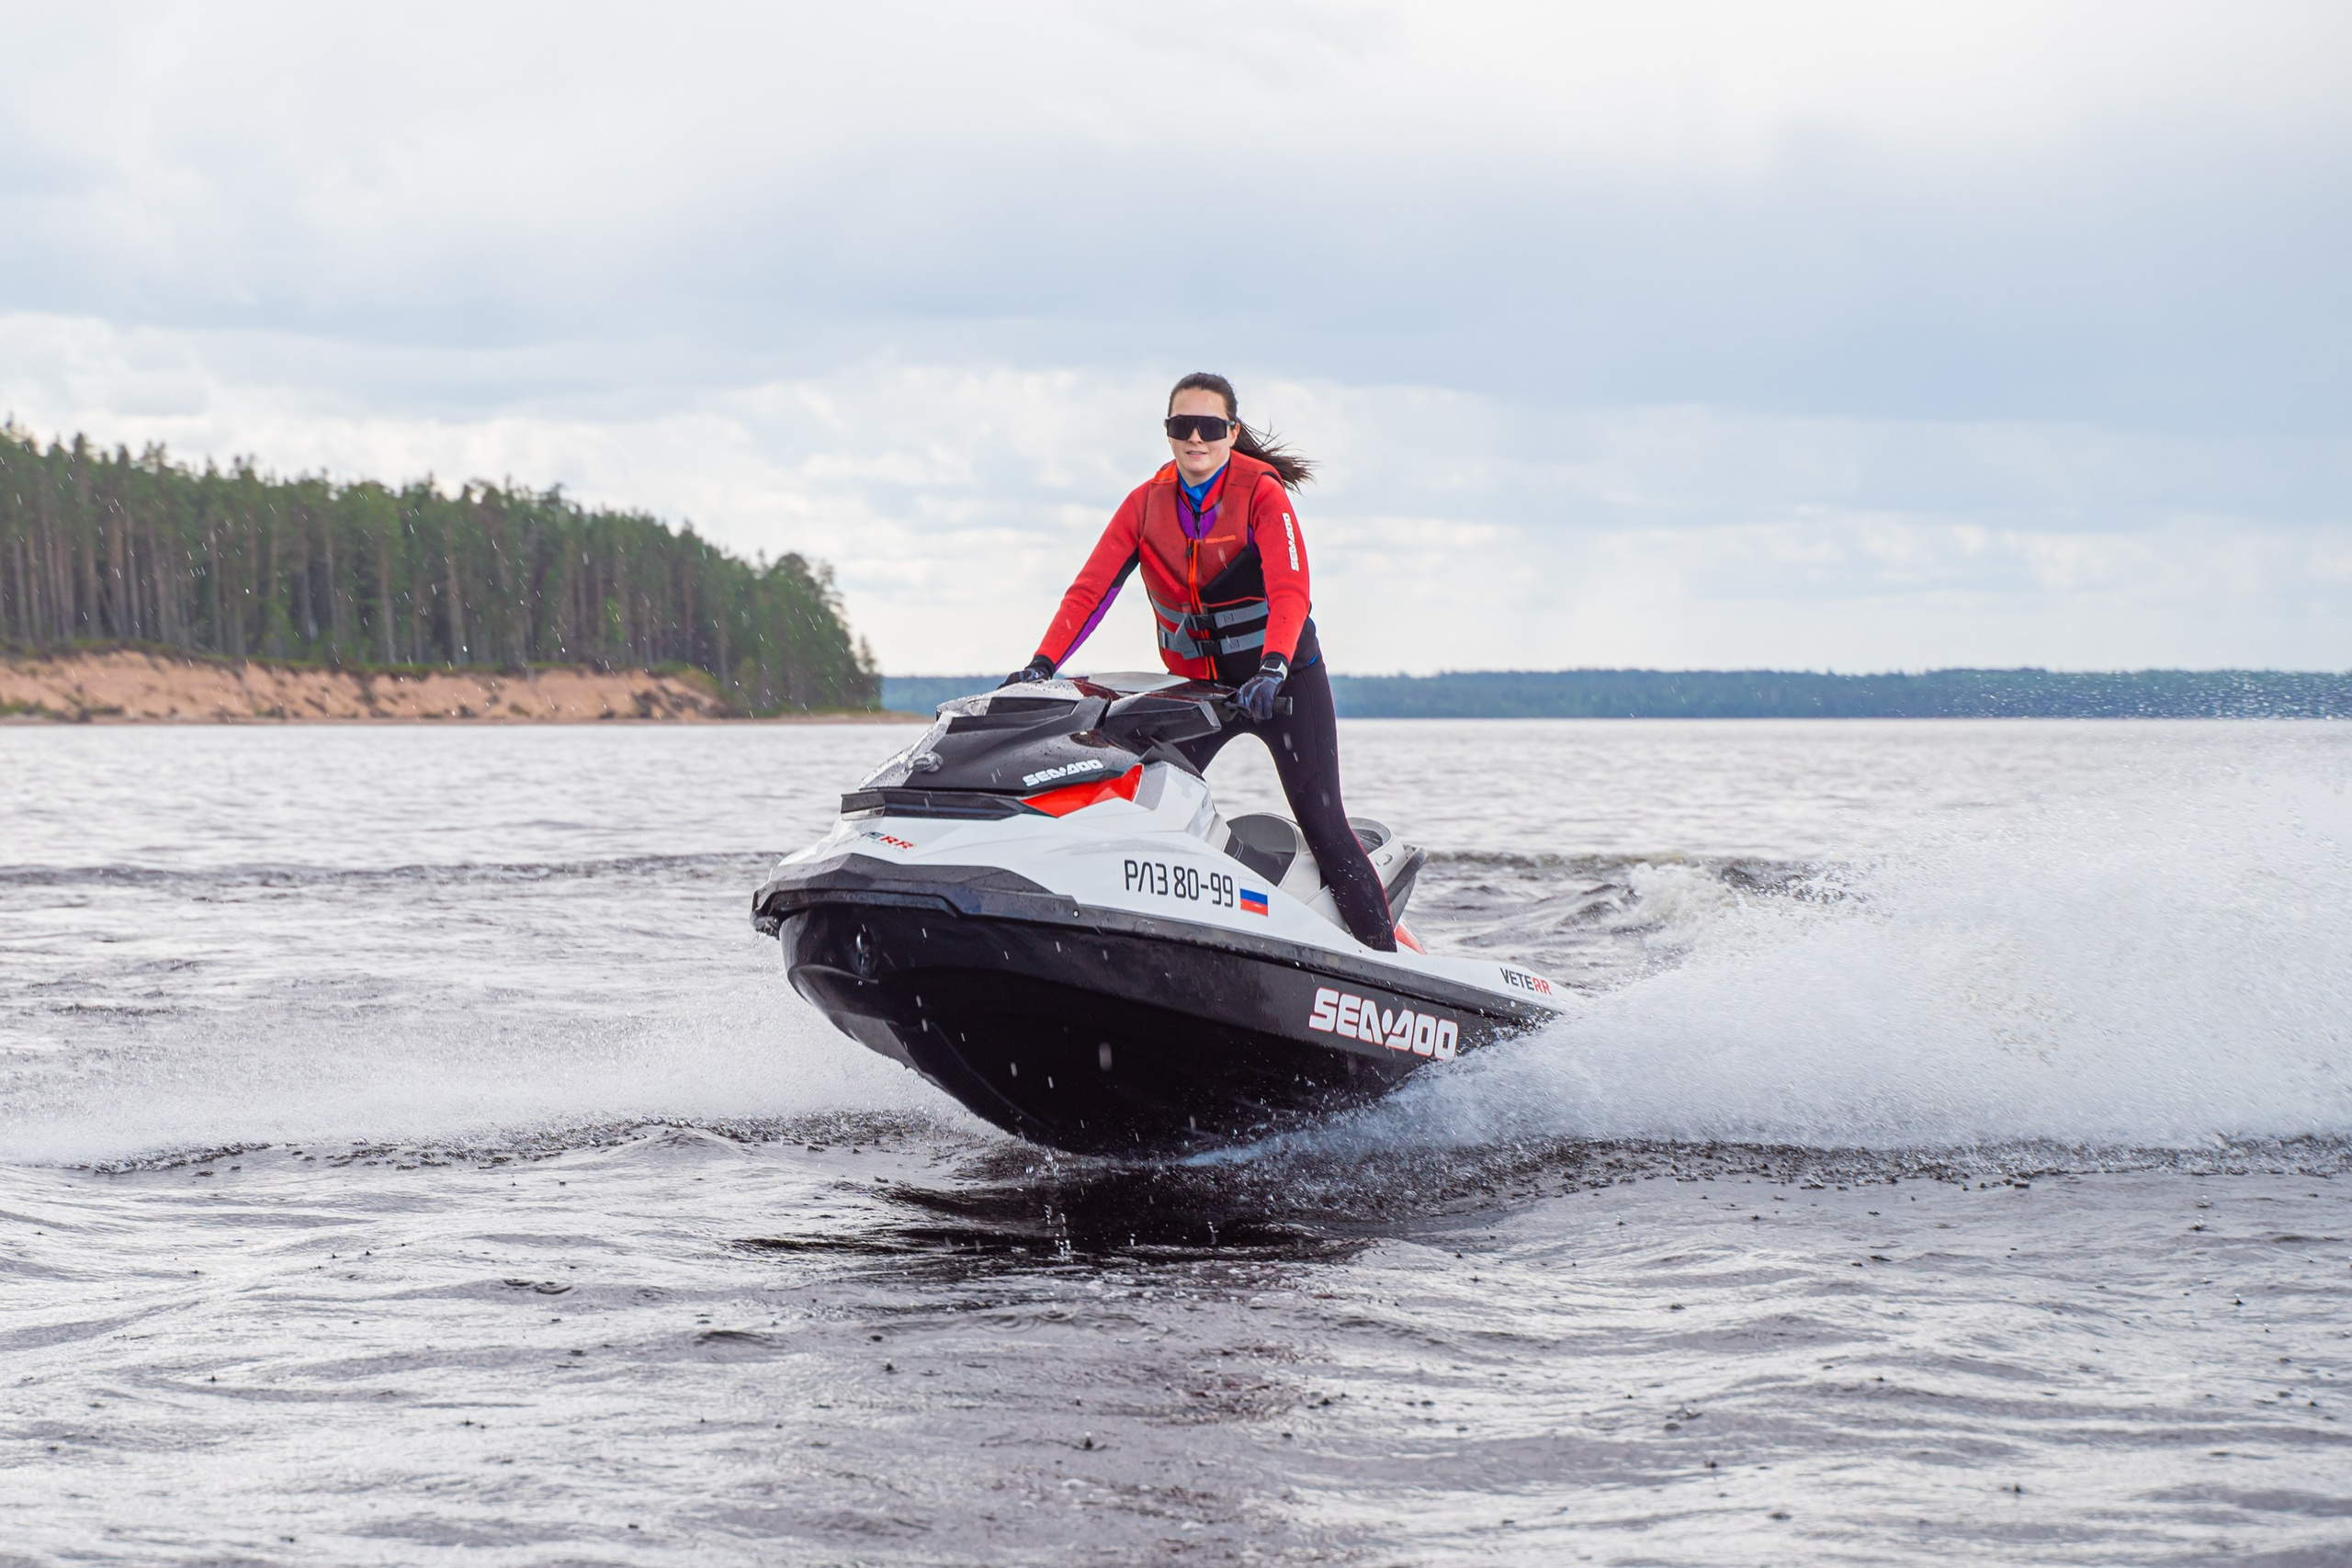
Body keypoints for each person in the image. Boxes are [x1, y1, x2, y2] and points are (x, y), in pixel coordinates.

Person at [1001, 371, 1397, 952]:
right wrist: (1041, 664)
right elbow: (1090, 592)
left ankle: (1384, 963)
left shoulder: (1262, 494)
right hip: (1202, 693)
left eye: (1209, 427)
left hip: (1282, 686)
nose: (1195, 438)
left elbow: (1291, 591)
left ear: (1231, 433)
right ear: (1167, 434)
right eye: (1181, 426)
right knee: (1140, 807)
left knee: (1323, 821)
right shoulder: (1143, 506)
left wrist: (1273, 667)